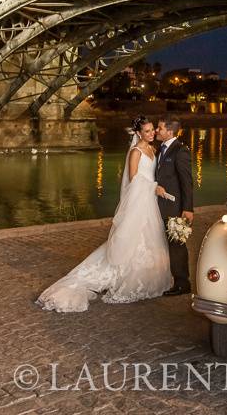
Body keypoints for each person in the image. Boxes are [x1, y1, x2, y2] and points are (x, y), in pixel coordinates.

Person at [35, 116, 171, 312]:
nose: (152, 134)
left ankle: (145, 275)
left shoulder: (152, 149)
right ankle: (122, 276)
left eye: (152, 130)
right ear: (139, 133)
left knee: (148, 237)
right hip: (140, 200)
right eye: (148, 131)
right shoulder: (135, 152)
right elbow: (134, 180)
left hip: (149, 200)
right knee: (134, 236)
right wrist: (154, 187)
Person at [154, 115, 194, 296]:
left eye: (160, 128)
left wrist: (188, 208)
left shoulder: (180, 151)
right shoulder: (159, 150)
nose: (157, 130)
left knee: (177, 244)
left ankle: (182, 283)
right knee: (165, 243)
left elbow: (187, 182)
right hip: (159, 205)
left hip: (175, 207)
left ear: (170, 131)